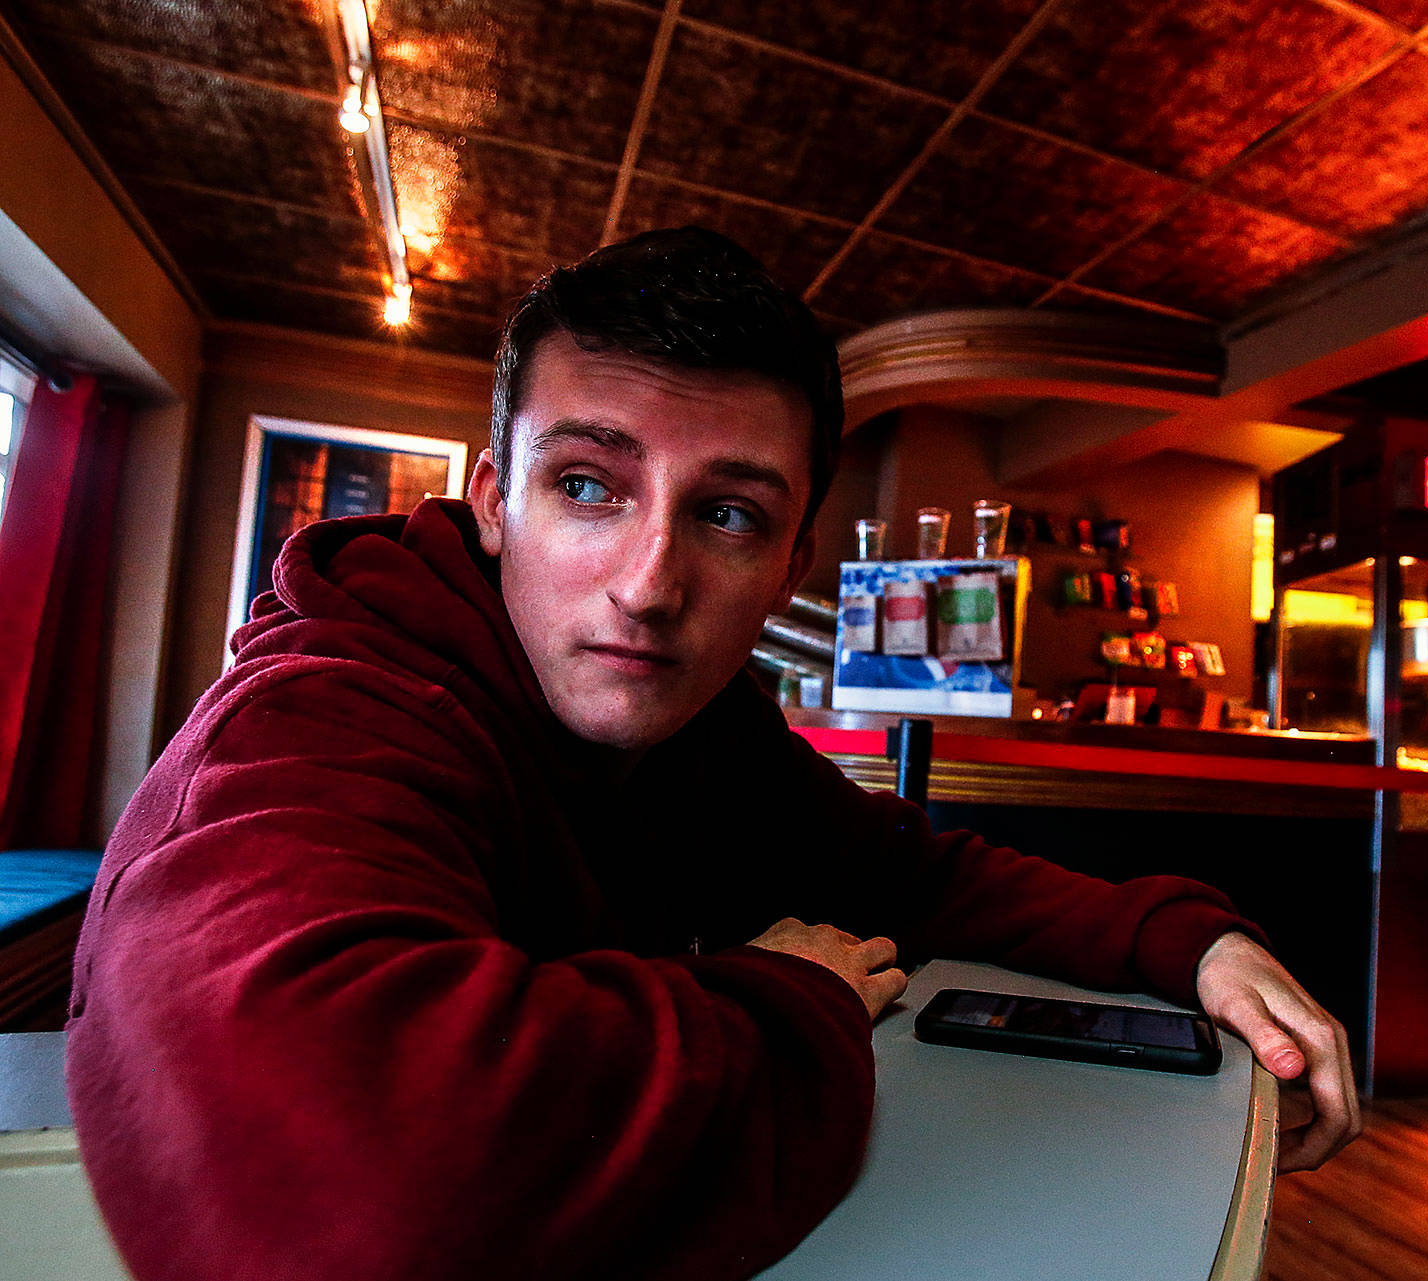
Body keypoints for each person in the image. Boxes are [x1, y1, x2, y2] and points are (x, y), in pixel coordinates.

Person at [66, 227, 1359, 1281]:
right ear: (488, 500)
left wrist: (1192, 941)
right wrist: (785, 996)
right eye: (588, 484)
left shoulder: (709, 724)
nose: (649, 583)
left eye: (729, 514)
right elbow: (357, 1186)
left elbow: (914, 877)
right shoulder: (329, 706)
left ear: (793, 559)